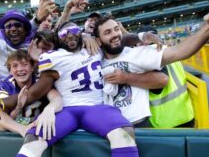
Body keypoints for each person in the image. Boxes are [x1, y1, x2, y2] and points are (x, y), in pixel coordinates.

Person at [93, 0, 209, 127]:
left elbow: (179, 51)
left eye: (116, 29)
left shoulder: (136, 53)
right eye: (108, 32)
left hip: (140, 127)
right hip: (108, 128)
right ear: (98, 41)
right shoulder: (93, 60)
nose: (115, 34)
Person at [14, 21, 139, 157]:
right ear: (58, 38)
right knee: (34, 138)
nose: (69, 35)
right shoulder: (52, 57)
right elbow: (38, 89)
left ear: (80, 32)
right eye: (63, 33)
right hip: (67, 109)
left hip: (95, 107)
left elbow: (120, 39)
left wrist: (142, 36)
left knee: (124, 132)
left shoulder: (95, 46)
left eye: (73, 30)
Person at [137, 25, 194, 128]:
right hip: (186, 114)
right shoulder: (169, 50)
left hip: (166, 122)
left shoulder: (150, 54)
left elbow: (157, 87)